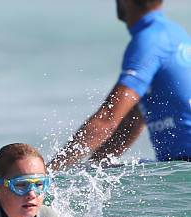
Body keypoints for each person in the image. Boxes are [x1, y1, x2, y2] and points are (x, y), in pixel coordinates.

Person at [50, 0, 191, 170]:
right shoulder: (174, 33)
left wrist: (50, 172)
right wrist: (93, 166)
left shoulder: (149, 41)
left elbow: (107, 118)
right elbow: (133, 119)